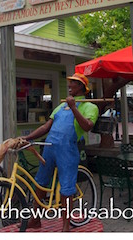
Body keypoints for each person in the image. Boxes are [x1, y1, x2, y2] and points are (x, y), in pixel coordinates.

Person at [20, 72, 98, 231]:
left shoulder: (91, 106)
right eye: (69, 83)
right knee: (40, 183)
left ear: (82, 87)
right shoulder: (60, 106)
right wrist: (27, 137)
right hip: (49, 147)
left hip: (67, 150)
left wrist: (74, 108)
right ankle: (35, 219)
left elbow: (87, 126)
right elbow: (45, 127)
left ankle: (65, 227)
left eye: (73, 83)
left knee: (66, 189)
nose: (69, 86)